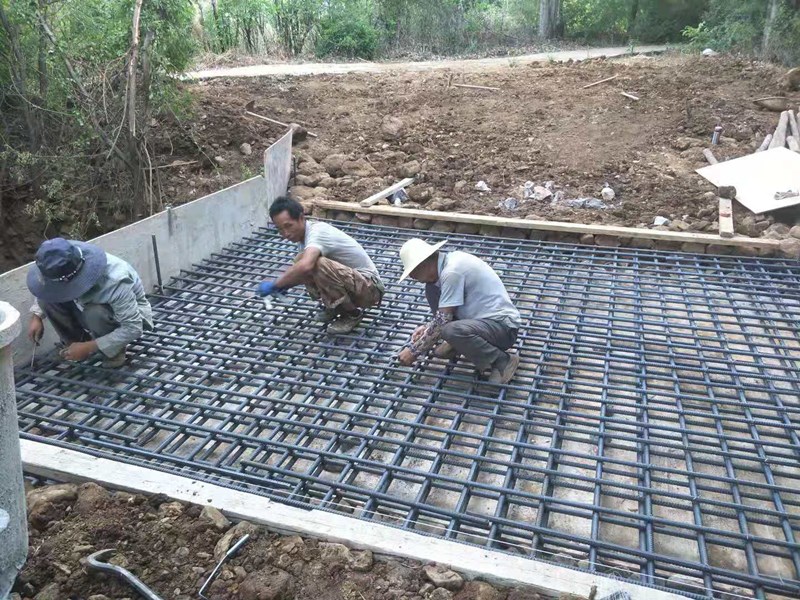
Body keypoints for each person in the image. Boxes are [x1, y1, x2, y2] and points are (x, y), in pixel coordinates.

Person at [396, 238, 522, 384]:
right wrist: (427, 329)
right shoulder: (446, 266)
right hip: (482, 323)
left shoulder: (452, 272)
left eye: (413, 271)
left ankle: (502, 362)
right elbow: (443, 316)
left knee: (449, 330)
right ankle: (458, 343)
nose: (412, 277)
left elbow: (443, 321)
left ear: (423, 264)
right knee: (432, 291)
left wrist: (414, 350)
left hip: (504, 329)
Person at [257, 196, 384, 334]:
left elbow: (306, 266)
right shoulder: (304, 239)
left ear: (301, 218)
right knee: (300, 262)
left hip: (370, 288)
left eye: (288, 226)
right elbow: (301, 271)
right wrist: (285, 284)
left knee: (315, 264)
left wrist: (276, 284)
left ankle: (352, 314)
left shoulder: (317, 232)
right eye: (280, 229)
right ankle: (337, 307)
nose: (285, 234)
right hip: (356, 284)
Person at [26, 238, 154, 368]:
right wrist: (37, 316)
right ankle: (74, 346)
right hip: (84, 307)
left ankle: (114, 352)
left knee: (94, 313)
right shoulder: (61, 259)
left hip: (125, 317)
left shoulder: (115, 281)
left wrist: (89, 347)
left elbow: (133, 328)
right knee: (46, 300)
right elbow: (48, 288)